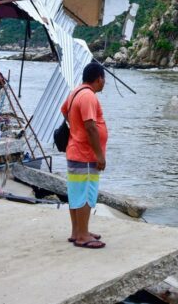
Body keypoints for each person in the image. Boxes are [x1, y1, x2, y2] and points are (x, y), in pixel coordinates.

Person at [61, 62, 108, 249]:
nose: (104, 83)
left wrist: (75, 129)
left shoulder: (76, 92)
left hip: (75, 150)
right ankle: (82, 235)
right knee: (86, 194)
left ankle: (78, 231)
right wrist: (99, 155)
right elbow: (90, 126)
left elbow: (64, 110)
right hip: (86, 154)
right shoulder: (88, 96)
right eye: (104, 80)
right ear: (99, 79)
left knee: (76, 193)